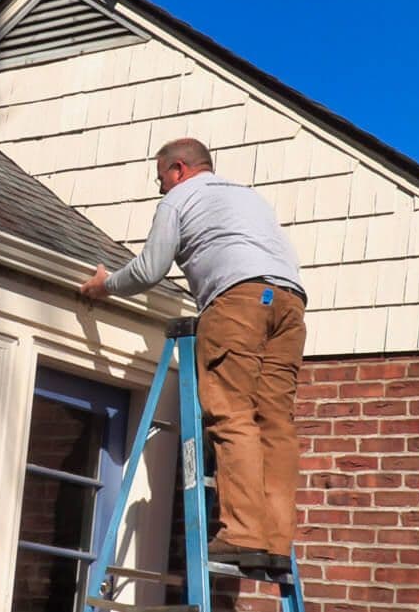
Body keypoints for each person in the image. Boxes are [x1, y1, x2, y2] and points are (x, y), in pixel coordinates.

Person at [80, 137, 308, 569]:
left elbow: (151, 268)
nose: (160, 187)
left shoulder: (181, 198)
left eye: (161, 177)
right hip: (290, 303)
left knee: (231, 412)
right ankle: (276, 544)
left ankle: (243, 535)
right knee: (276, 422)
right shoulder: (246, 196)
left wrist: (104, 285)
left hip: (238, 301)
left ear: (179, 169)